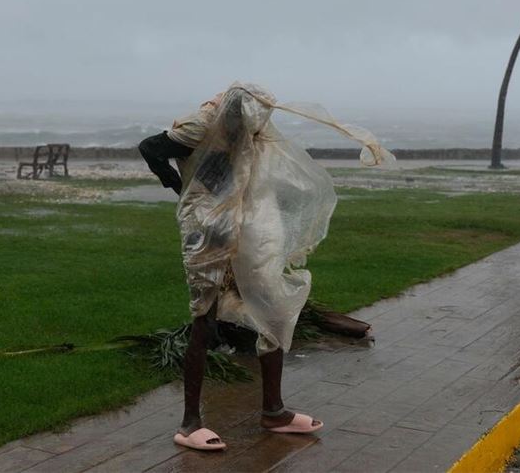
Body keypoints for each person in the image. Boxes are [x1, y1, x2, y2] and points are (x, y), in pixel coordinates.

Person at [139, 83, 389, 451]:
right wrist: (183, 189)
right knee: (203, 318)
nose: (255, 130)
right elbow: (150, 148)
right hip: (207, 227)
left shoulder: (259, 124)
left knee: (271, 310)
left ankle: (274, 411)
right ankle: (190, 422)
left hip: (248, 220)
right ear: (232, 114)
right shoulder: (199, 125)